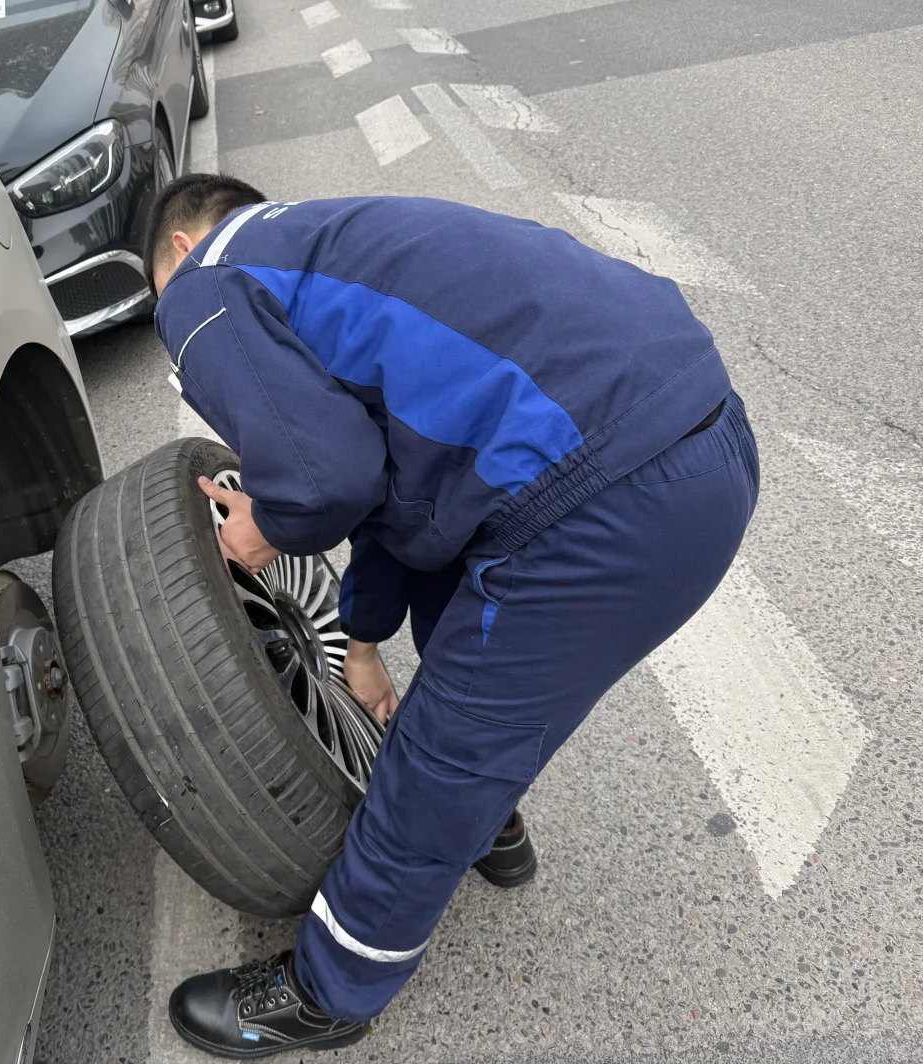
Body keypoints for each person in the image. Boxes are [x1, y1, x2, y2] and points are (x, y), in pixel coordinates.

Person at [145, 175, 760, 1057]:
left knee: (443, 754)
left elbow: (327, 479)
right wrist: (361, 647)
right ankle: (492, 832)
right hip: (699, 439)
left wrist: (266, 525)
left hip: (608, 494)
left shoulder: (206, 282)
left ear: (177, 247)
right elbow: (399, 498)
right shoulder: (329, 249)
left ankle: (331, 990)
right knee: (458, 626)